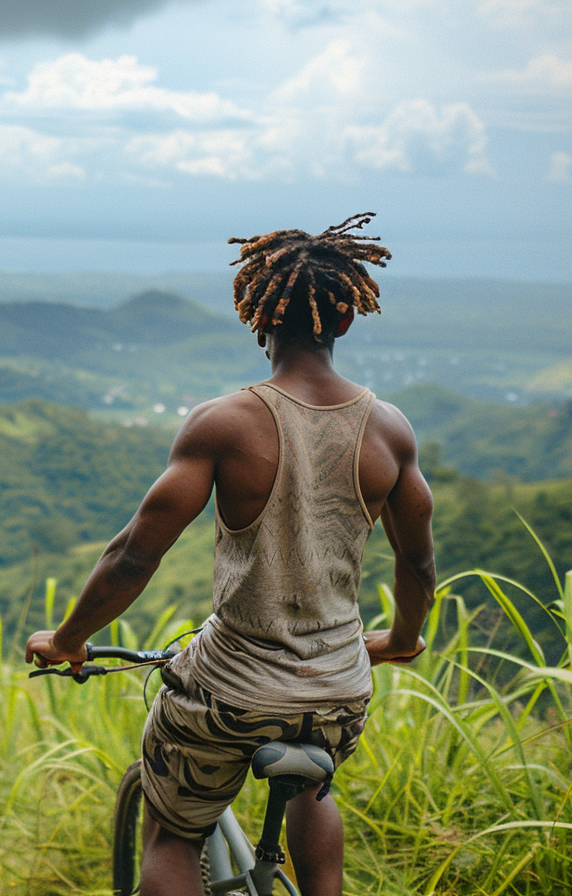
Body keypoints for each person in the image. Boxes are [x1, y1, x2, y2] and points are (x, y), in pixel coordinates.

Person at [24, 213, 436, 896]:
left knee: (174, 833)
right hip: (337, 685)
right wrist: (400, 638)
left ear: (259, 317)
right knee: (315, 790)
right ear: (346, 320)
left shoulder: (226, 423)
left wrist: (69, 639)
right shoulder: (389, 430)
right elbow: (418, 564)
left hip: (234, 686)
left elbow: (134, 555)